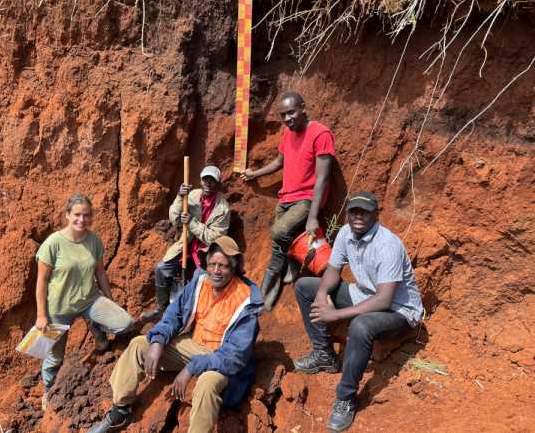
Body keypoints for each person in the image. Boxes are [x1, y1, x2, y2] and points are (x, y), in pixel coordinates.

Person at [88, 236, 263, 433]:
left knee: (207, 383)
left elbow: (234, 357)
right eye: (212, 264)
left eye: (222, 266)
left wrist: (191, 368)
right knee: (140, 344)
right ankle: (121, 409)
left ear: (234, 267)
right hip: (193, 346)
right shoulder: (200, 281)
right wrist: (158, 341)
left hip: (221, 360)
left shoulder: (246, 300)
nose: (216, 271)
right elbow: (174, 314)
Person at [292, 191, 424, 432]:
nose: (358, 216)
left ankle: (345, 397)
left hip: (400, 311)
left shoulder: (387, 245)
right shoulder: (345, 232)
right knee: (305, 286)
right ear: (348, 214)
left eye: (365, 211)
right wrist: (322, 296)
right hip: (363, 294)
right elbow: (333, 270)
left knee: (361, 325)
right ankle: (325, 355)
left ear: (376, 214)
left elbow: (384, 300)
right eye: (354, 211)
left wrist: (335, 315)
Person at [35, 193, 135, 410]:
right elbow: (41, 281)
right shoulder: (53, 244)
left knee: (124, 322)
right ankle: (47, 390)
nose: (82, 220)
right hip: (59, 309)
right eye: (77, 215)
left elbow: (100, 273)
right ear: (67, 215)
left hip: (89, 300)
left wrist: (110, 300)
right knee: (54, 357)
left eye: (86, 215)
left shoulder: (94, 240)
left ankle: (97, 329)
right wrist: (42, 315)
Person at [241, 91, 335, 310]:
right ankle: (265, 300)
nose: (287, 119)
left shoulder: (320, 133)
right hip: (285, 198)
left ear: (303, 107)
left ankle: (295, 259)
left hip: (306, 200)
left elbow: (322, 178)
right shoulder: (288, 133)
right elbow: (279, 161)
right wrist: (256, 174)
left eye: (291, 112)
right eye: (283, 115)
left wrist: (313, 217)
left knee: (278, 232)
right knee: (276, 251)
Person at [141, 165, 230, 322]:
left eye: (212, 180)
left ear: (217, 183)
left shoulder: (223, 208)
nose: (208, 183)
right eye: (205, 179)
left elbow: (214, 238)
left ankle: (188, 317)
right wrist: (179, 197)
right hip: (185, 244)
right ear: (201, 180)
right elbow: (174, 219)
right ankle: (161, 308)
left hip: (206, 252)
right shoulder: (193, 195)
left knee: (200, 279)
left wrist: (192, 222)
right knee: (161, 269)